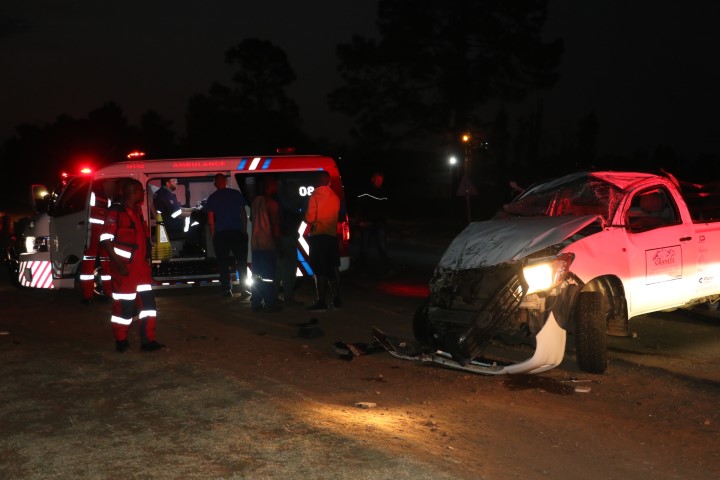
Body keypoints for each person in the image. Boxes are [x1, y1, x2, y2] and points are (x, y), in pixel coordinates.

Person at [100, 178, 165, 353]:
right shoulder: (116, 212)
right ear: (133, 192)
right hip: (125, 271)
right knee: (124, 308)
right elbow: (105, 240)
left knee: (149, 307)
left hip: (141, 270)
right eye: (141, 191)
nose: (143, 194)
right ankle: (121, 340)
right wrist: (119, 264)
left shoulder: (136, 211)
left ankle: (148, 341)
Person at [205, 173, 250, 298]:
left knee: (223, 263)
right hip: (237, 232)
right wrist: (244, 230)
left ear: (215, 184)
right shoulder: (236, 194)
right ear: (225, 181)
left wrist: (213, 234)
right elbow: (243, 213)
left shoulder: (212, 198)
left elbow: (211, 219)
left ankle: (226, 289)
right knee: (241, 262)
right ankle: (244, 289)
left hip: (221, 234)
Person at [305, 170, 341, 311]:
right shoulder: (335, 197)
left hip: (318, 236)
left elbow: (309, 218)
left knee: (320, 270)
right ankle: (337, 299)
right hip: (332, 236)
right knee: (332, 268)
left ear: (319, 180)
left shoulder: (315, 196)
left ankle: (321, 302)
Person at [250, 176, 281, 312]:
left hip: (255, 244)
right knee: (268, 276)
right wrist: (278, 244)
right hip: (267, 244)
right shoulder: (272, 203)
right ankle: (269, 303)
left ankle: (256, 302)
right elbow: (275, 226)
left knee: (257, 276)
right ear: (271, 186)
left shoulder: (255, 201)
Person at [277, 181, 304, 306]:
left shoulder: (279, 200)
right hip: (287, 237)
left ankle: (275, 297)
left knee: (280, 268)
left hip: (281, 237)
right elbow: (295, 218)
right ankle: (288, 297)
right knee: (289, 269)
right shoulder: (289, 202)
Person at [356, 171, 389, 269]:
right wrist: (360, 221)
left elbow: (385, 209)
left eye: (381, 180)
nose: (379, 182)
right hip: (367, 223)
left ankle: (385, 267)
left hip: (379, 224)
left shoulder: (383, 193)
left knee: (382, 247)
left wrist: (384, 222)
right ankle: (361, 267)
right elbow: (359, 207)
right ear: (372, 179)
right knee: (364, 247)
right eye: (378, 179)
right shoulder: (365, 192)